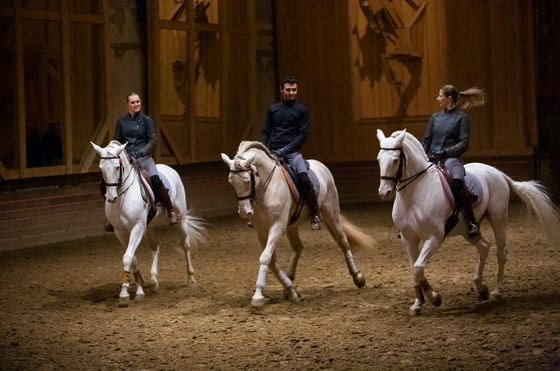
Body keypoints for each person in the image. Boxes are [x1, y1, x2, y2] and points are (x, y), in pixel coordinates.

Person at [103, 92, 178, 224]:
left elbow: (153, 141)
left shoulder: (147, 120)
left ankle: (170, 209)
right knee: (106, 183)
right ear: (127, 104)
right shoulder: (121, 121)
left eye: (138, 101)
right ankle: (113, 216)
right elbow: (117, 141)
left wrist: (140, 153)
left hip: (144, 158)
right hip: (127, 160)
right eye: (133, 102)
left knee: (155, 179)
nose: (136, 104)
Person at [422, 85, 487, 237]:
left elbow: (464, 144)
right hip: (432, 158)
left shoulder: (462, 118)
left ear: (448, 98)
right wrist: (422, 153)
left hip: (452, 159)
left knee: (457, 184)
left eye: (440, 96)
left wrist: (445, 152)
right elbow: (427, 140)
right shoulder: (435, 117)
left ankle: (471, 222)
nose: (438, 98)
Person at [260, 77, 323, 230]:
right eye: (288, 90)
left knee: (304, 178)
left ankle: (315, 213)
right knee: (258, 177)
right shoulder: (273, 110)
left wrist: (285, 150)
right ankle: (255, 213)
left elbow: (302, 135)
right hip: (273, 152)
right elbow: (266, 131)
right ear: (282, 90)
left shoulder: (301, 110)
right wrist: (263, 148)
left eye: (294, 89)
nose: (291, 93)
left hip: (293, 154)